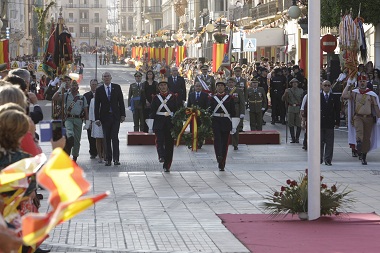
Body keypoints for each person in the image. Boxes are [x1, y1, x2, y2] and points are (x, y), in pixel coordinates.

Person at [342, 75, 380, 165]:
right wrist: (348, 84)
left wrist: (379, 117)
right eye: (360, 81)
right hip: (358, 117)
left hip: (369, 118)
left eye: (364, 81)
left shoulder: (371, 94)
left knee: (367, 138)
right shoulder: (354, 92)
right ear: (358, 82)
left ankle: (364, 156)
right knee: (360, 133)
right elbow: (344, 95)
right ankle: (358, 143)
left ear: (366, 82)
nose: (362, 83)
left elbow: (376, 106)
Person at [52, 80, 89, 162]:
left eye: (75, 86)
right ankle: (70, 139)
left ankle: (75, 157)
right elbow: (54, 98)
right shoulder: (66, 96)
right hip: (68, 118)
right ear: (70, 87)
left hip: (78, 119)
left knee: (77, 141)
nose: (74, 87)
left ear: (78, 87)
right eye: (72, 85)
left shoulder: (82, 98)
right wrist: (60, 88)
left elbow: (85, 110)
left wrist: (87, 122)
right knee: (70, 132)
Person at [94, 72, 126, 166]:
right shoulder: (99, 90)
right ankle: (108, 159)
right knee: (106, 138)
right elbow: (97, 105)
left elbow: (121, 101)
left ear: (111, 78)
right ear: (102, 78)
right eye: (104, 76)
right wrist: (97, 118)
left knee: (114, 137)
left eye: (108, 76)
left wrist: (123, 115)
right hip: (105, 117)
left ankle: (116, 159)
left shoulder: (116, 87)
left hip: (115, 116)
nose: (106, 78)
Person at [149, 77, 179, 172]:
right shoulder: (155, 98)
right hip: (159, 122)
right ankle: (161, 156)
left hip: (170, 122)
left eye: (164, 85)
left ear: (167, 86)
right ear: (158, 87)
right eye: (161, 85)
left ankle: (167, 165)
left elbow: (177, 110)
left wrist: (178, 123)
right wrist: (150, 125)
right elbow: (152, 111)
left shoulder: (173, 97)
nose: (163, 87)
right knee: (160, 141)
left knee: (170, 144)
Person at [210, 79, 235, 171]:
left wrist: (234, 125)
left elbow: (233, 112)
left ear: (224, 87)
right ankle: (219, 156)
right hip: (216, 121)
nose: (220, 87)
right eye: (218, 86)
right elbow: (210, 110)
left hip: (226, 121)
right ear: (216, 88)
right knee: (217, 141)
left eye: (222, 86)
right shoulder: (212, 98)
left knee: (225, 143)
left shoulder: (229, 98)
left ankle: (222, 163)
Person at [320, 80, 341, 166]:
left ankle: (328, 159)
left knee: (329, 142)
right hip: (320, 122)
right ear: (322, 86)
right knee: (320, 141)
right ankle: (319, 158)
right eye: (325, 85)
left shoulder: (334, 97)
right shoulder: (318, 96)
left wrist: (337, 122)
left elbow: (337, 110)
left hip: (330, 122)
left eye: (328, 85)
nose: (327, 87)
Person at [282, 78, 304, 143]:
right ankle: (293, 138)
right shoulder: (288, 90)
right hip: (291, 107)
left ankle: (297, 138)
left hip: (298, 108)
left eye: (296, 82)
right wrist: (285, 93)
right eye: (293, 83)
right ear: (291, 84)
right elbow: (283, 99)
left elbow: (303, 100)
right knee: (290, 124)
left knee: (298, 124)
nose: (294, 84)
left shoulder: (301, 91)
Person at [226, 77, 245, 150]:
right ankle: (226, 142)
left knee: (235, 128)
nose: (231, 84)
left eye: (232, 82)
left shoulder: (238, 91)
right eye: (229, 82)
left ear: (234, 83)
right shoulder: (225, 90)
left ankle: (235, 144)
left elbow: (242, 102)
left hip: (236, 109)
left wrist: (242, 112)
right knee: (226, 127)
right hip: (226, 110)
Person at [89, 86, 106, 163]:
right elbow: (91, 112)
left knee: (105, 139)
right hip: (96, 122)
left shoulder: (105, 99)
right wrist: (91, 122)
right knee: (98, 139)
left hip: (104, 121)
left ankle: (105, 155)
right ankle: (99, 156)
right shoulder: (92, 100)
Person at [83, 79, 99, 159]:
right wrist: (86, 121)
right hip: (89, 119)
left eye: (95, 84)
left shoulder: (101, 94)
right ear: (90, 85)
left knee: (99, 136)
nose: (94, 86)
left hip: (98, 119)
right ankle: (93, 152)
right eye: (92, 84)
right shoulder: (86, 96)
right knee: (90, 136)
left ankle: (100, 151)